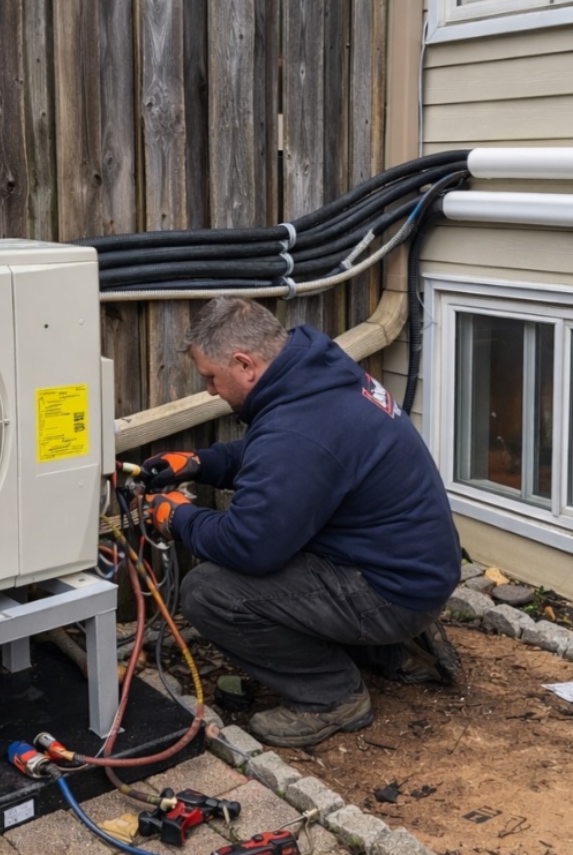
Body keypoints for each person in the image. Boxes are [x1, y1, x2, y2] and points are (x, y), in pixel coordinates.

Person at [141, 296, 462, 748]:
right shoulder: (319, 375)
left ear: (244, 364)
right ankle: (393, 650)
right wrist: (201, 462)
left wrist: (180, 518)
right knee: (289, 556)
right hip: (415, 568)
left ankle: (333, 697)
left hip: (392, 590)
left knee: (210, 592)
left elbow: (249, 546)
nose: (211, 390)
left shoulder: (300, 425)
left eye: (212, 378)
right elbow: (276, 461)